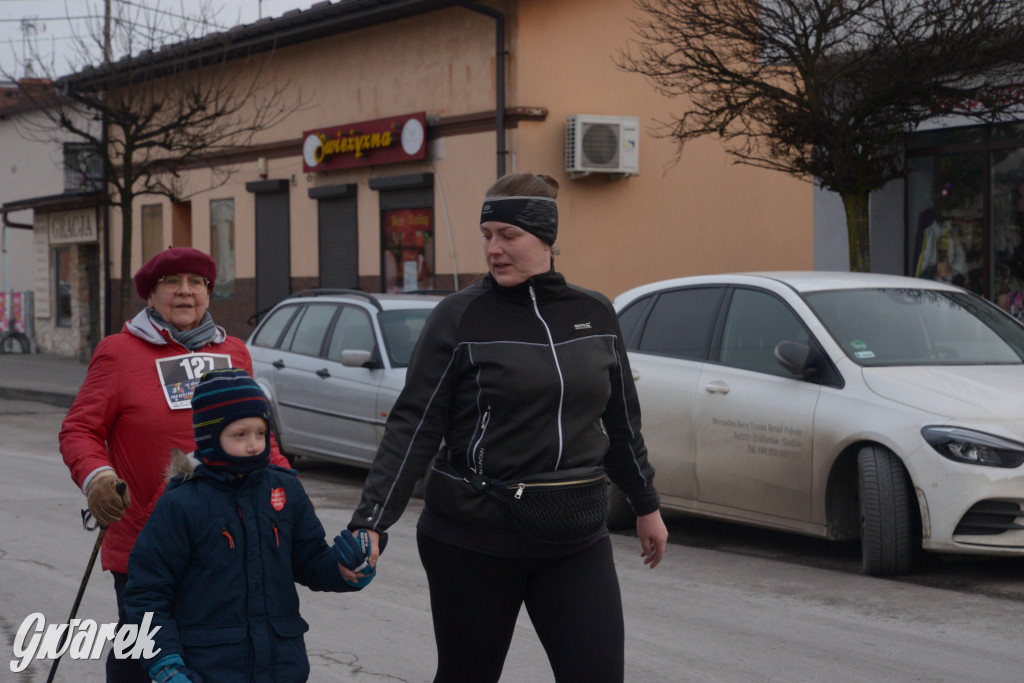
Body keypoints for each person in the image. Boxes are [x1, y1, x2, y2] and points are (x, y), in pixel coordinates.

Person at [348, 172, 669, 682]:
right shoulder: (460, 316)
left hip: (575, 535)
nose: (494, 249)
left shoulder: (595, 312)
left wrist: (646, 504)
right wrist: (371, 520)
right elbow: (414, 424)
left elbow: (620, 422)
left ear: (545, 238)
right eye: (487, 236)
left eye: (508, 236)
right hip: (472, 538)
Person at [59, 246, 291, 682]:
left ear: (208, 292)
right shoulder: (118, 353)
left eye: (196, 283)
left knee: (216, 658)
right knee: (142, 658)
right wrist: (98, 477)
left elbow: (259, 438)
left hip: (225, 542)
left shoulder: (234, 352)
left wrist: (288, 494)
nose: (185, 292)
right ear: (151, 294)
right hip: (146, 544)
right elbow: (78, 431)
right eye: (171, 282)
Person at [123, 368, 378, 683]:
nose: (254, 445)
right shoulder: (182, 503)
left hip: (281, 665)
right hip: (208, 667)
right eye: (239, 435)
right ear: (210, 437)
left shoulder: (285, 489)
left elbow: (309, 560)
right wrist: (164, 661)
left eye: (260, 433)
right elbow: (148, 591)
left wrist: (344, 569)